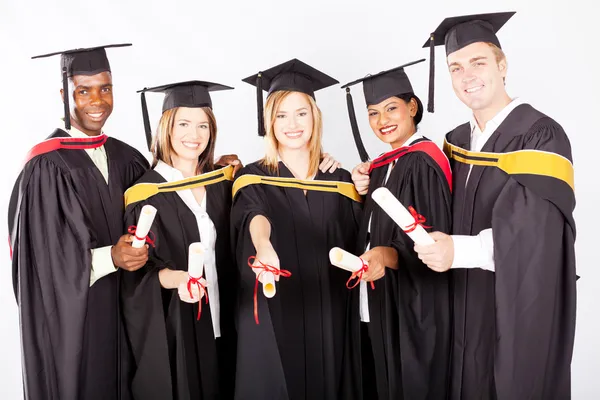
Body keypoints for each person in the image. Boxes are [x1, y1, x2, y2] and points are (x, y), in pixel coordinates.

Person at [414, 12, 577, 399]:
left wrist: (458, 249)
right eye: (455, 67)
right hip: (459, 305)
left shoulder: (540, 134)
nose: (466, 75)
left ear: (502, 66)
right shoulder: (455, 142)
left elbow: (535, 230)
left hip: (517, 306)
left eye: (478, 62)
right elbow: (429, 204)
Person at [7, 44, 150, 400]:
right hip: (78, 324)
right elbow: (44, 263)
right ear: (64, 94)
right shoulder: (47, 165)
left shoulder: (126, 156)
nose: (96, 100)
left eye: (105, 88)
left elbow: (166, 200)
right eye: (83, 90)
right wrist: (111, 258)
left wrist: (213, 169)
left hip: (127, 317)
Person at [231, 58, 362, 400]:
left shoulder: (340, 180)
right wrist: (263, 245)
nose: (292, 124)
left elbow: (360, 237)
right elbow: (253, 215)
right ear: (269, 122)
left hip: (331, 313)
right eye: (281, 115)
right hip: (278, 312)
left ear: (314, 116)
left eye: (301, 113)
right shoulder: (253, 175)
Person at [122, 80, 240, 399]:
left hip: (231, 324)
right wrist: (178, 279)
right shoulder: (144, 194)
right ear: (166, 128)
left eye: (203, 124)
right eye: (184, 123)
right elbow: (137, 272)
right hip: (181, 327)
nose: (195, 134)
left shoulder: (222, 183)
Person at [344, 59, 452, 399]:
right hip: (378, 301)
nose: (382, 121)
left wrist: (385, 256)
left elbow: (432, 239)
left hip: (414, 306)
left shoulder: (422, 160)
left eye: (391, 108)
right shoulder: (384, 164)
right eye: (373, 113)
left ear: (412, 107)